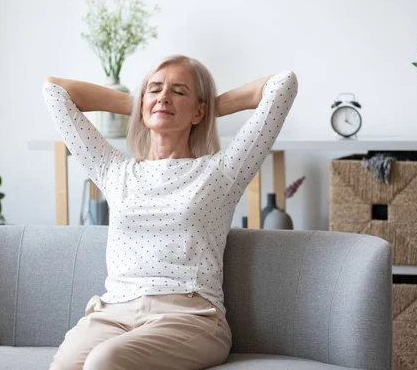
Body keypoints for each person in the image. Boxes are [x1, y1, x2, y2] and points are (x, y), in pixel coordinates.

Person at [43, 54, 298, 370]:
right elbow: (54, 90)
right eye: (155, 88)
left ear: (199, 111)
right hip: (112, 313)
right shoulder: (114, 171)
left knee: (104, 362)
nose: (164, 96)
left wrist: (209, 108)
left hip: (191, 317)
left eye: (179, 91)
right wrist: (141, 104)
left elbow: (283, 85)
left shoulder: (221, 172)